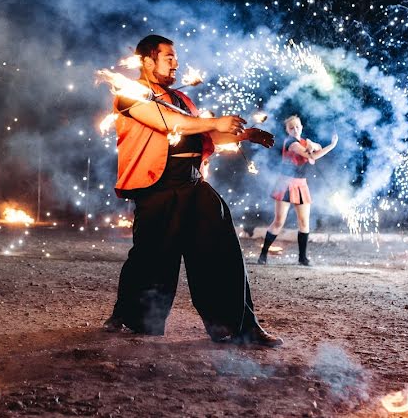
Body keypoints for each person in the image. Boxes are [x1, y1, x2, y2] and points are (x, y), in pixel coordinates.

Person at [103, 35, 282, 346]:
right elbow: (169, 123)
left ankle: (239, 326)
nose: (176, 62)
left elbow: (205, 136)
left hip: (193, 182)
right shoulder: (130, 95)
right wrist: (214, 121)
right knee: (150, 257)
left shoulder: (183, 100)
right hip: (156, 185)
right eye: (168, 56)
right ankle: (130, 316)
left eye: (175, 57)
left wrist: (245, 134)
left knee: (222, 250)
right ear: (147, 60)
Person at [258, 115, 338, 266]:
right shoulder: (291, 142)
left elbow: (315, 148)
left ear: (301, 127)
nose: (295, 130)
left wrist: (312, 143)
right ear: (287, 130)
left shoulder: (303, 141)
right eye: (291, 127)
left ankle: (302, 258)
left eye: (297, 127)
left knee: (303, 222)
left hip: (301, 184)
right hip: (286, 184)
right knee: (279, 221)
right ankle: (263, 254)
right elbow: (313, 155)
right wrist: (332, 145)